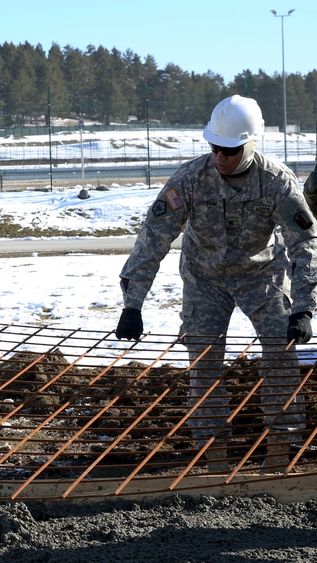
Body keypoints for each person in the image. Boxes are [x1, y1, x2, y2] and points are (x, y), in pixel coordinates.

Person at [114, 95, 317, 472]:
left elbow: (304, 243)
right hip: (204, 278)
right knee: (204, 364)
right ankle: (215, 460)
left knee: (281, 353)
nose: (220, 157)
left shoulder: (276, 182)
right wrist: (132, 304)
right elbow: (153, 237)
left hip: (262, 276)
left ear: (251, 143)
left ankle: (278, 454)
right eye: (215, 148)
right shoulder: (191, 178)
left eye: (230, 150)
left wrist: (304, 306)